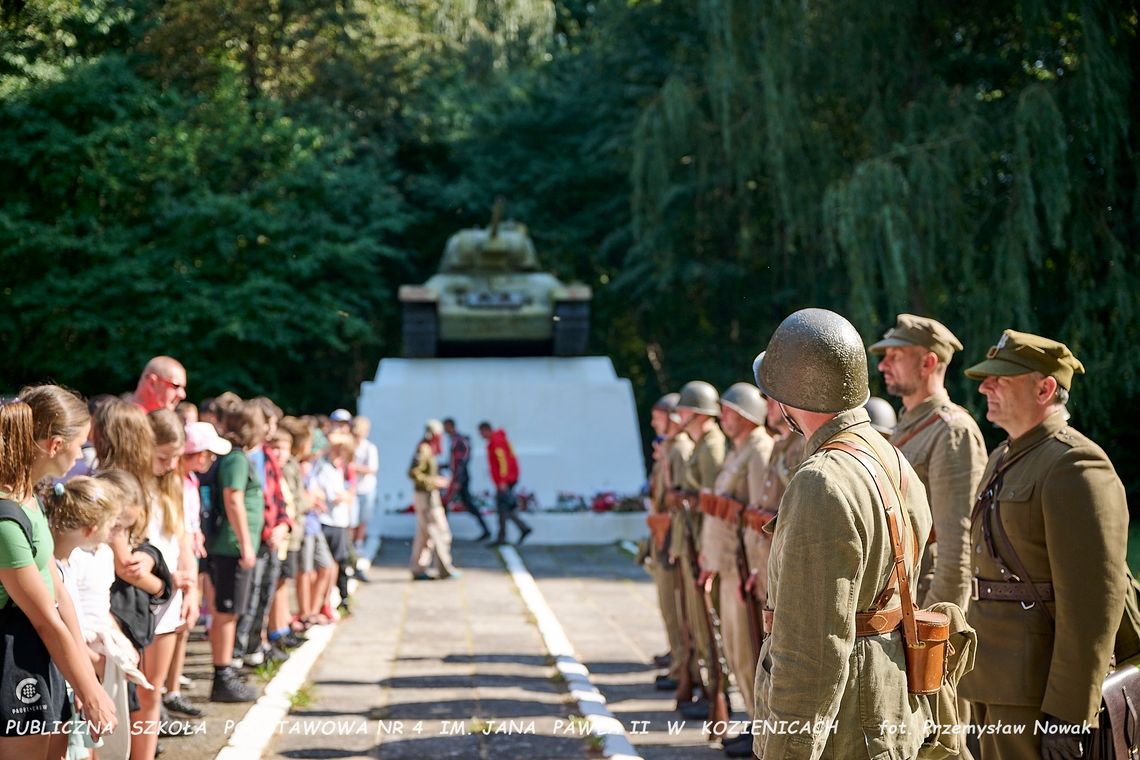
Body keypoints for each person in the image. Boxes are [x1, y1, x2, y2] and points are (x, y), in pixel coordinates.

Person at [752, 308, 933, 759]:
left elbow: (810, 652)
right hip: (890, 704)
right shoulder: (891, 457)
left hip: (847, 725)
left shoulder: (821, 481)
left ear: (786, 398)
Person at [960, 329, 1128, 759]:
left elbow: (1093, 604)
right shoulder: (1003, 457)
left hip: (1037, 689)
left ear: (1046, 387)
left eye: (1001, 378)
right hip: (991, 680)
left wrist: (1071, 710)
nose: (984, 387)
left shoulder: (1074, 464)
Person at [1, 392, 117, 757]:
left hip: (42, 653)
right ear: (55, 445)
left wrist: (82, 675)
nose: (83, 456)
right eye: (81, 446)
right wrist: (88, 689)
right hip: (15, 658)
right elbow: (44, 618)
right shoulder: (6, 518)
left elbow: (59, 592)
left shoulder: (27, 494)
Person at [870, 314, 987, 608]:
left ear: (928, 363)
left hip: (923, 602)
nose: (883, 365)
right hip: (900, 593)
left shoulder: (951, 432)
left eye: (895, 356)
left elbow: (958, 552)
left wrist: (937, 625)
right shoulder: (906, 426)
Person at [699, 382, 772, 757]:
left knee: (747, 652)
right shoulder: (738, 451)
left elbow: (761, 519)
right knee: (735, 650)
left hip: (744, 569)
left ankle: (761, 728)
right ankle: (753, 722)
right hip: (728, 565)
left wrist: (758, 570)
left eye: (728, 411)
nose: (722, 416)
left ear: (745, 416)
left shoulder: (759, 450)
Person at [669, 380, 725, 719]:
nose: (680, 416)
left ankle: (717, 692)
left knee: (709, 625)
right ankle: (708, 690)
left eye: (684, 410)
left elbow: (712, 504)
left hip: (704, 540)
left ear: (697, 412)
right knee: (699, 623)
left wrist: (708, 549)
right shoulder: (703, 443)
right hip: (694, 538)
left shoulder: (712, 447)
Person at [207, 400, 266, 702]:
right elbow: (233, 498)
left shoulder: (235, 457)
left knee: (228, 611)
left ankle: (226, 669)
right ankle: (223, 674)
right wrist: (245, 543)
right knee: (227, 612)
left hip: (232, 545)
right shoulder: (236, 459)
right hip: (230, 546)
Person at [645, 393, 692, 694]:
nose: (653, 423)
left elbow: (682, 500)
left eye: (658, 416)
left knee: (678, 609)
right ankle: (678, 662)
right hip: (664, 536)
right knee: (669, 607)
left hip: (674, 540)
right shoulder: (669, 449)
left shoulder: (681, 449)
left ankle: (683, 668)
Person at [408, 420, 459, 580]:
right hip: (427, 496)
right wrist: (434, 481)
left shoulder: (427, 448)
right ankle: (444, 568)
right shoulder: (424, 449)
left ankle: (418, 568)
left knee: (424, 535)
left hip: (427, 495)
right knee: (440, 532)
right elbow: (414, 472)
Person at [478, 421, 530, 546]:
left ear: (486, 430)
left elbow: (503, 462)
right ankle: (520, 529)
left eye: (481, 432)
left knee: (502, 508)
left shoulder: (497, 441)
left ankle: (507, 535)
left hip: (506, 481)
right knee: (506, 508)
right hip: (508, 479)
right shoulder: (500, 440)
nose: (481, 436)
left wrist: (503, 481)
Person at [442, 418, 491, 541]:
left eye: (446, 427)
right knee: (457, 503)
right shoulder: (454, 440)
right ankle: (442, 530)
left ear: (450, 426)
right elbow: (454, 462)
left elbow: (462, 462)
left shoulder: (459, 441)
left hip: (460, 477)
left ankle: (442, 531)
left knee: (451, 502)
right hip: (457, 476)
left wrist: (458, 479)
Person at [351, 415, 382, 561]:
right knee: (352, 519)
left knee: (363, 519)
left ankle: (358, 542)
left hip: (366, 488)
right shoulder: (350, 446)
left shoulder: (369, 448)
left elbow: (372, 469)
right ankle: (352, 543)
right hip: (352, 488)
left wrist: (356, 468)